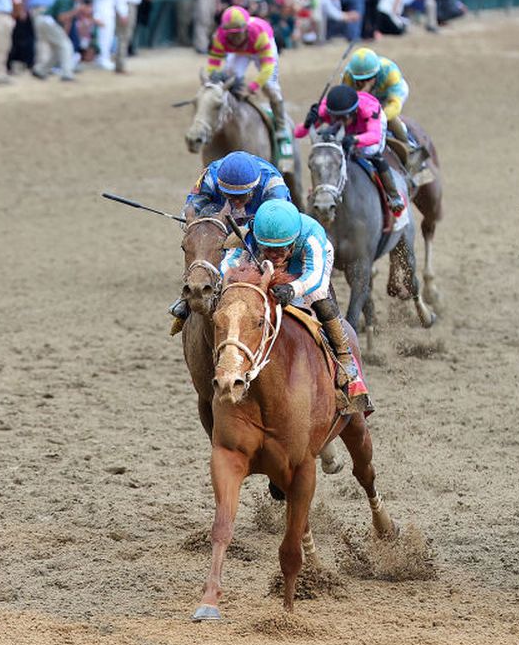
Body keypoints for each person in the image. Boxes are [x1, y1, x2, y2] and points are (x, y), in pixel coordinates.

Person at [220, 198, 368, 412]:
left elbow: (314, 277)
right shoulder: (251, 233)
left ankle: (345, 357)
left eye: (280, 250)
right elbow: (229, 262)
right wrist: (230, 279)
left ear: (293, 241)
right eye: (268, 248)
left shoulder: (312, 237)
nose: (275, 255)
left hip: (307, 264)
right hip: (263, 261)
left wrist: (293, 289)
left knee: (318, 295)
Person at [169, 150, 293, 331]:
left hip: (263, 224)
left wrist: (247, 229)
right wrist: (196, 225)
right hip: (221, 222)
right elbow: (191, 207)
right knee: (204, 229)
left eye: (241, 197)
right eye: (229, 196)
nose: (235, 202)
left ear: (254, 188)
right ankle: (192, 292)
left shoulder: (273, 185)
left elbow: (279, 225)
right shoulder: (211, 175)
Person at [296, 84, 405, 214]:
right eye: (335, 117)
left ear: (354, 112)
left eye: (343, 117)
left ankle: (393, 196)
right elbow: (298, 133)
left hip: (367, 128)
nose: (339, 121)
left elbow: (374, 136)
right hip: (347, 127)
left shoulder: (368, 110)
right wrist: (307, 124)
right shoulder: (325, 112)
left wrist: (355, 140)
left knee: (371, 152)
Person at [206, 5, 293, 161]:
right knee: (228, 79)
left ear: (246, 28)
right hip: (240, 53)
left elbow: (267, 67)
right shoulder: (219, 36)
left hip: (261, 49)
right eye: (230, 35)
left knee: (271, 87)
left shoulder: (259, 34)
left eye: (237, 34)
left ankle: (281, 126)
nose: (234, 38)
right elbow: (214, 60)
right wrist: (213, 76)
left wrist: (252, 87)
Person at [341, 47, 423, 171]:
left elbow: (395, 105)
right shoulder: (348, 76)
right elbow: (347, 104)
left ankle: (410, 148)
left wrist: (378, 118)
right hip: (365, 97)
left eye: (367, 79)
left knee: (387, 119)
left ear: (376, 74)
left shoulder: (390, 72)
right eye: (359, 81)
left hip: (388, 95)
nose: (363, 84)